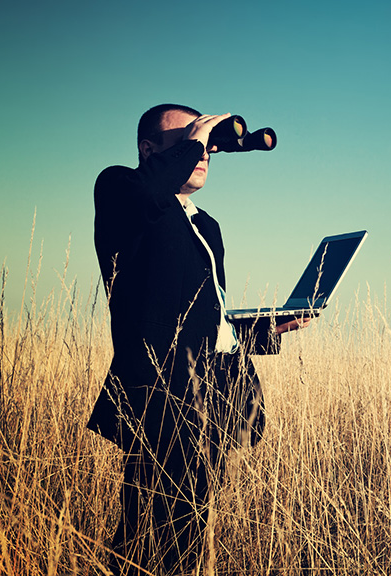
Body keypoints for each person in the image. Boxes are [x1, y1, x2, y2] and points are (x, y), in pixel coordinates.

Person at [87, 104, 306, 575]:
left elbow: (205, 317)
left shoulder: (206, 226)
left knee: (187, 531)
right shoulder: (120, 188)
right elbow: (149, 194)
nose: (203, 152)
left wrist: (268, 329)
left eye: (208, 146)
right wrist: (194, 139)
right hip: (161, 395)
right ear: (149, 150)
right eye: (188, 140)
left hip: (214, 392)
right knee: (153, 533)